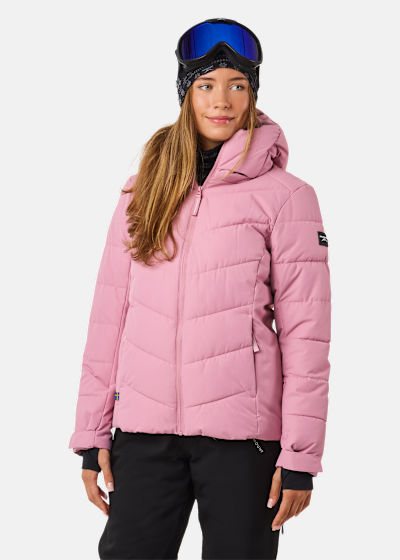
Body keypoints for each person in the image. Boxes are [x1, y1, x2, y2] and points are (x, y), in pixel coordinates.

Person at [68, 17, 331, 560]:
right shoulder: (143, 190)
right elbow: (109, 318)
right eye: (206, 85)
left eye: (238, 85)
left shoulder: (287, 197)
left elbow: (307, 336)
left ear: (253, 94)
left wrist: (300, 456)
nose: (222, 101)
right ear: (185, 93)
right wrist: (92, 435)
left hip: (244, 441)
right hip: (143, 433)